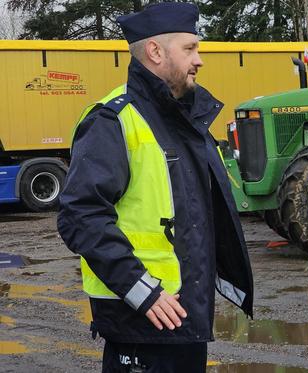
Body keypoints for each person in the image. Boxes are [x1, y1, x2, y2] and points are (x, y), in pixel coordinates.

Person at [57, 3, 253, 372]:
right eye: (190, 48)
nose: (200, 59)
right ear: (155, 51)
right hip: (142, 321)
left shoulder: (184, 118)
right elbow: (79, 216)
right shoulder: (113, 120)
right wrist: (141, 291)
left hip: (182, 318)